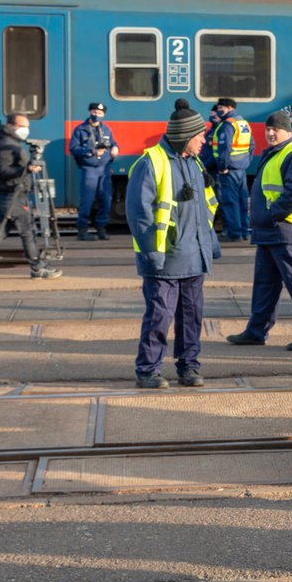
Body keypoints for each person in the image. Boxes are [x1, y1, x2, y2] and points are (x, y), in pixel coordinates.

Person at [127, 105, 218, 389]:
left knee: (192, 316)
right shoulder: (150, 163)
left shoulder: (194, 162)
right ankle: (148, 370)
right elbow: (139, 215)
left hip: (193, 257)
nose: (204, 140)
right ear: (185, 135)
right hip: (164, 259)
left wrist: (210, 246)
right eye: (200, 135)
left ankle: (188, 367)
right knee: (159, 316)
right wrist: (152, 253)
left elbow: (204, 210)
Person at [226, 111, 292, 351]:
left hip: (286, 229)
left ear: (288, 131)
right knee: (265, 284)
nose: (270, 133)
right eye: (268, 129)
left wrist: (272, 214)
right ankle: (256, 331)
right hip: (272, 231)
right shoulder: (278, 152)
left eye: (275, 129)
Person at [0, 114, 64, 283]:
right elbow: (3, 172)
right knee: (28, 231)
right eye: (22, 126)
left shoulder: (9, 144)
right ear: (10, 126)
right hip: (13, 196)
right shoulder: (6, 146)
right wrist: (26, 169)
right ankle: (37, 268)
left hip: (10, 195)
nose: (25, 130)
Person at [69, 101, 119, 241]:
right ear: (90, 112)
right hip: (89, 169)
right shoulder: (80, 130)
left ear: (103, 115)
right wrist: (91, 151)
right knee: (87, 200)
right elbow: (73, 148)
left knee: (106, 200)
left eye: (100, 113)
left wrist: (115, 148)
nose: (97, 115)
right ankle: (82, 230)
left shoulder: (107, 130)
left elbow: (113, 143)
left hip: (105, 169)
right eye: (94, 112)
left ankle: (101, 229)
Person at [212, 97, 253, 242]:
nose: (218, 111)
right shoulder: (243, 123)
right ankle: (244, 231)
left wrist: (222, 166)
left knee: (230, 201)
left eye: (220, 108)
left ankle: (233, 233)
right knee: (242, 200)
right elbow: (251, 146)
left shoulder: (228, 125)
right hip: (241, 169)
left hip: (228, 170)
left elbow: (225, 148)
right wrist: (246, 162)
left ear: (229, 108)